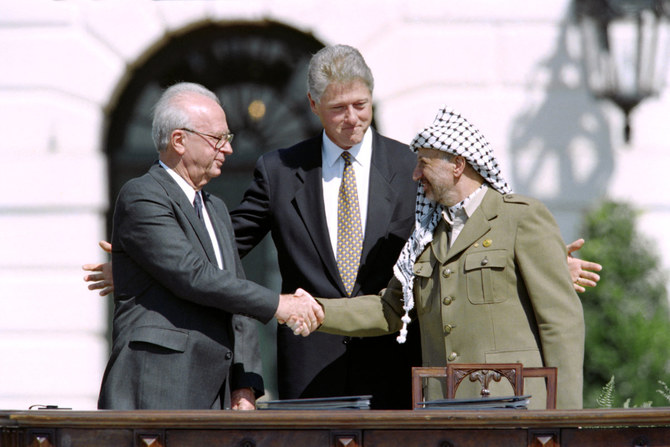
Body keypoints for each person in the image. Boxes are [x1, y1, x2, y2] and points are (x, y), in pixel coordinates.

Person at [84, 46, 601, 409]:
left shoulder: (412, 166)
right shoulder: (280, 169)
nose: (352, 118)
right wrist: (143, 262)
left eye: (361, 105)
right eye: (339, 108)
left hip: (406, 366)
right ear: (313, 107)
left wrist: (545, 264)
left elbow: (462, 240)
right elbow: (224, 249)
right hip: (311, 366)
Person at [304, 106, 586, 409]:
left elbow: (560, 323)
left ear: (457, 165)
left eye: (423, 164)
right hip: (442, 410)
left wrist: (566, 419)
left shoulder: (520, 218)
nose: (415, 175)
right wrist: (316, 310)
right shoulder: (424, 236)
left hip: (513, 407)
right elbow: (389, 309)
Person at [97, 82, 322, 410]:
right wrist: (279, 304)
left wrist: (246, 383)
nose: (228, 149)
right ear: (179, 141)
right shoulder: (142, 195)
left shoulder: (214, 207)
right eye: (218, 139)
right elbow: (193, 275)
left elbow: (234, 291)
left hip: (215, 395)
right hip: (157, 387)